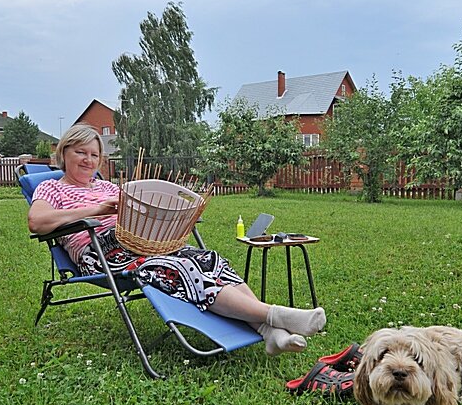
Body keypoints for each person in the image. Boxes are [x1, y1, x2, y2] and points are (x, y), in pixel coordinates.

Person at [27, 124, 326, 355]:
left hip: (141, 241)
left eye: (94, 155)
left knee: (210, 259)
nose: (88, 160)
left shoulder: (106, 185)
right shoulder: (53, 189)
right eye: (80, 152)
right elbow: (37, 222)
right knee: (179, 269)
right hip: (102, 252)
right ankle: (276, 315)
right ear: (64, 152)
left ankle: (267, 331)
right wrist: (96, 210)